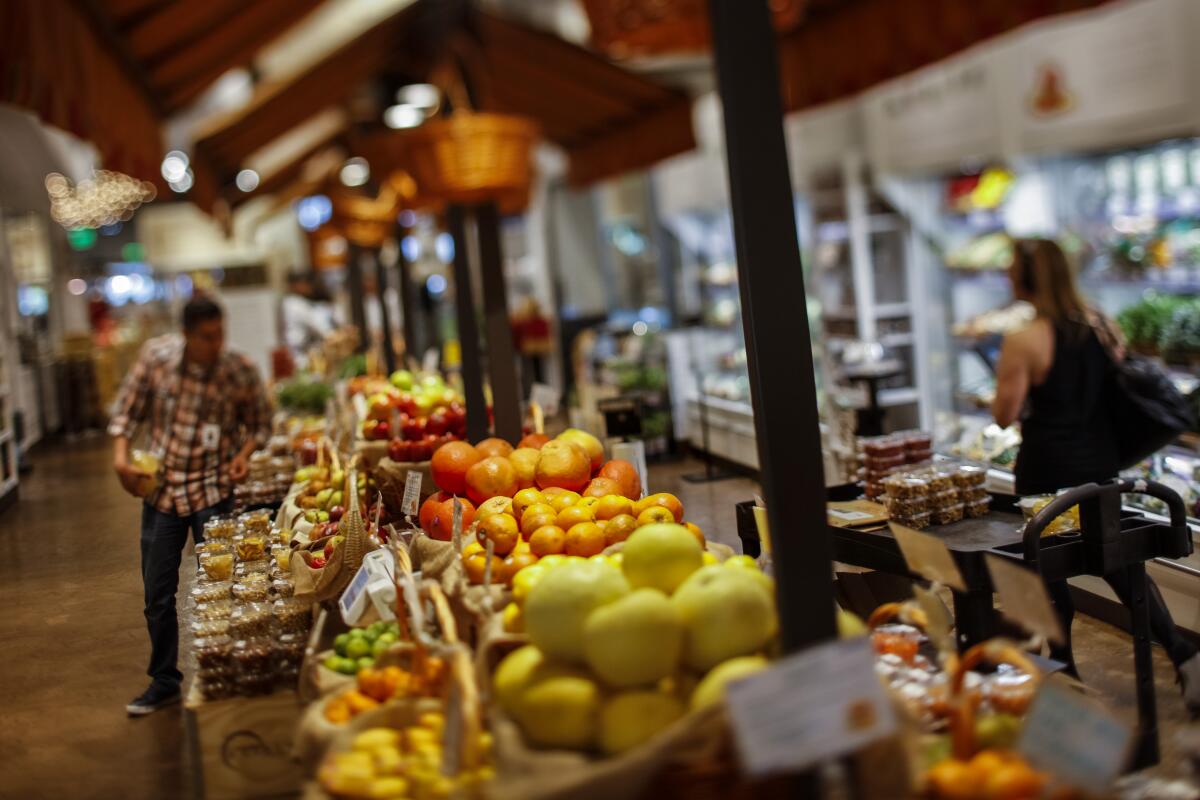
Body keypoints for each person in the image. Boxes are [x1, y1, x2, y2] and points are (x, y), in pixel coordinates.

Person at [992, 238, 1200, 712]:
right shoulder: (1102, 324)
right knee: (1124, 570)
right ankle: (1184, 655)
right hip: (1101, 466)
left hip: (1046, 471)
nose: (1007, 276)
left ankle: (1065, 669)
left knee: (1048, 576)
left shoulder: (1024, 338)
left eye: (1011, 269)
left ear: (1027, 276)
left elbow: (1004, 415)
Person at [109, 297, 272, 715]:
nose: (216, 344)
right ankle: (164, 680)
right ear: (186, 335)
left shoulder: (239, 370)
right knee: (157, 593)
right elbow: (126, 412)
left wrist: (244, 455)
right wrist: (121, 457)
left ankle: (226, 674)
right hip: (162, 492)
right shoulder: (156, 359)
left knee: (223, 590)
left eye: (221, 334)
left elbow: (259, 425)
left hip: (214, 490)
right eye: (207, 337)